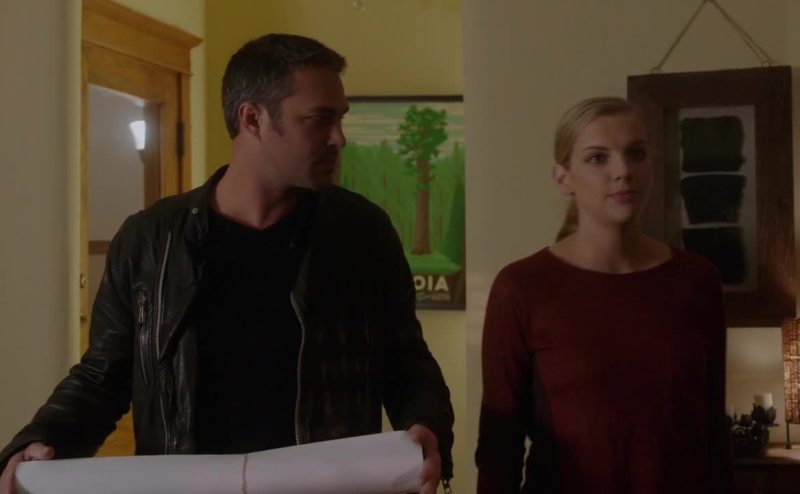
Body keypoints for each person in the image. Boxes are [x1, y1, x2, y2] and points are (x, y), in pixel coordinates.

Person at [0, 33, 453, 494]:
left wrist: (427, 425)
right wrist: (41, 439)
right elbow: (103, 375)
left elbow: (405, 361)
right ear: (252, 118)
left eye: (341, 119)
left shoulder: (361, 233)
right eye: (320, 119)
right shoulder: (149, 240)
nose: (339, 138)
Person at [476, 97, 730, 493]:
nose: (623, 171)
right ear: (563, 178)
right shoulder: (522, 287)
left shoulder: (696, 281)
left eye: (636, 153)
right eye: (598, 158)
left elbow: (713, 430)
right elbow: (499, 446)